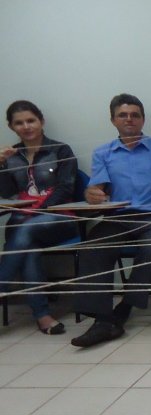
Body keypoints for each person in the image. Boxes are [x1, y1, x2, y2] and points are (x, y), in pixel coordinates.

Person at [71, 93, 151, 348]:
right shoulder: (103, 152)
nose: (129, 119)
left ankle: (124, 308)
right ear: (113, 120)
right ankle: (103, 320)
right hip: (119, 217)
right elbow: (96, 190)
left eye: (135, 115)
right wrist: (91, 194)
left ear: (143, 120)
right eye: (123, 115)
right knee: (92, 248)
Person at [0, 100, 79, 334]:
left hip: (58, 219)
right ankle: (43, 317)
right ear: (11, 126)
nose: (26, 126)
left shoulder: (61, 150)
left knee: (25, 230)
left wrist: (38, 210)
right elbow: (6, 193)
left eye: (31, 120)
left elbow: (66, 188)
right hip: (22, 223)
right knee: (29, 246)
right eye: (19, 123)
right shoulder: (11, 156)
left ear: (41, 121)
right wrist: (0, 166)